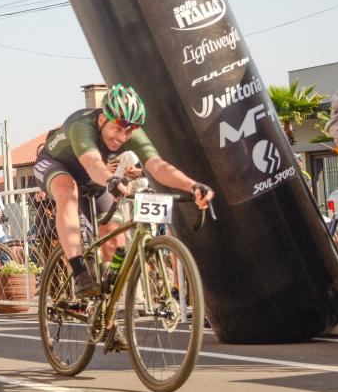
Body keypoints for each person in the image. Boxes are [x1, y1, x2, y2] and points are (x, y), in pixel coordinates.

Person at [33, 83, 215, 304]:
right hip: (56, 166)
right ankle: (79, 271)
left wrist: (192, 185)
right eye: (118, 128)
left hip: (95, 178)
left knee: (116, 239)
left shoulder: (131, 134)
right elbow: (92, 164)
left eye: (129, 130)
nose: (123, 136)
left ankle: (106, 304)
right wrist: (111, 180)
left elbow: (157, 166)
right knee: (67, 191)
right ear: (103, 119)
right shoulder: (82, 126)